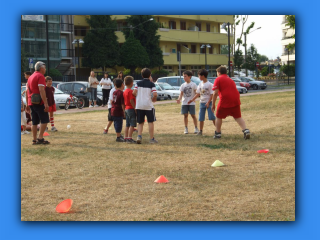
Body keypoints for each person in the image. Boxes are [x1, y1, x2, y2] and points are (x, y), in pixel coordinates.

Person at [211, 66, 250, 139]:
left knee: (219, 117)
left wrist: (213, 104)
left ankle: (217, 133)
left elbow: (215, 93)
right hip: (236, 100)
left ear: (219, 73)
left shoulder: (218, 79)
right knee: (237, 116)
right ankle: (245, 130)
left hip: (225, 100)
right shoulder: (230, 79)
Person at [25, 61, 50, 144]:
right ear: (41, 68)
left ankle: (34, 140)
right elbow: (41, 90)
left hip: (31, 101)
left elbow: (27, 91)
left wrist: (28, 104)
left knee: (34, 122)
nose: (45, 69)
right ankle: (40, 138)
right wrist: (46, 103)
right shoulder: (40, 76)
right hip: (39, 102)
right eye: (45, 67)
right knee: (45, 120)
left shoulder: (30, 77)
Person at [133, 68, 158, 144]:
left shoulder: (138, 83)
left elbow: (134, 93)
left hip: (139, 105)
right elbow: (155, 94)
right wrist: (153, 98)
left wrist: (138, 95)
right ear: (150, 75)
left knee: (140, 122)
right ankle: (151, 138)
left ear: (142, 75)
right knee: (150, 122)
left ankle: (139, 136)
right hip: (148, 105)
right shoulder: (151, 84)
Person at [188, 69, 215, 135]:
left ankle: (217, 129)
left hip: (209, 103)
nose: (198, 77)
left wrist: (208, 102)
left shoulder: (209, 84)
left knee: (211, 117)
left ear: (203, 76)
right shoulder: (200, 84)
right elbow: (198, 93)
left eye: (199, 76)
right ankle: (200, 131)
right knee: (201, 117)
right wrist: (192, 99)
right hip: (202, 102)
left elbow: (212, 94)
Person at [123, 76, 137, 143]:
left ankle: (125, 137)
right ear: (131, 83)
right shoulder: (130, 91)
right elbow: (131, 100)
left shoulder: (125, 91)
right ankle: (130, 137)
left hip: (126, 108)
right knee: (132, 124)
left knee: (127, 124)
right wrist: (135, 108)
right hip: (131, 108)